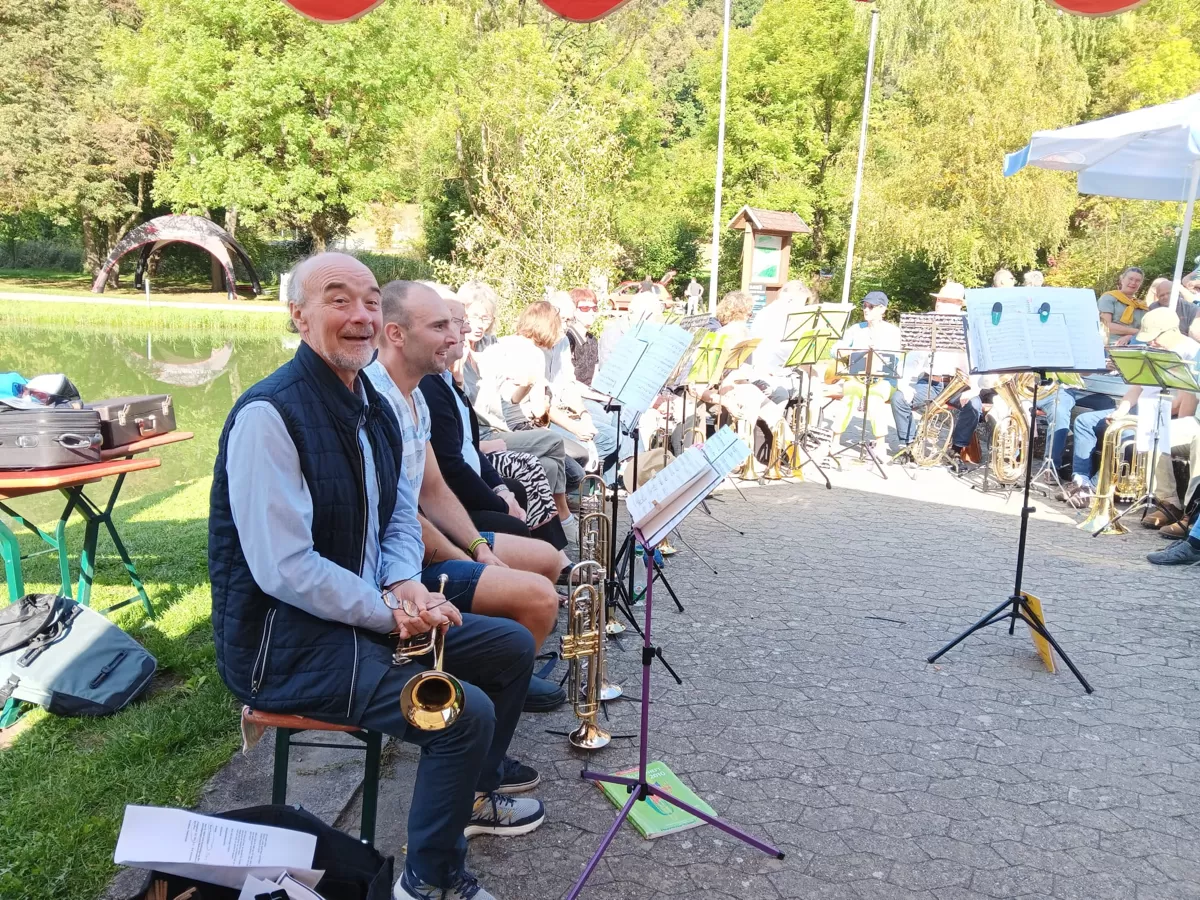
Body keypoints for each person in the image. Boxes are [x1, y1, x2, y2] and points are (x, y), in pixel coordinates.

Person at [209, 253, 543, 900]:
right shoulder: (267, 416)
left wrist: (404, 585)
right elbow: (285, 570)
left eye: (368, 300)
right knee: (462, 714)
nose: (360, 316)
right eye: (339, 300)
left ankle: (468, 802)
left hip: (362, 615)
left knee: (510, 648)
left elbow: (397, 519)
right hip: (285, 647)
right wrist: (388, 612)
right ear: (298, 316)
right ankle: (427, 881)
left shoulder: (375, 405)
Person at [363, 281, 563, 652]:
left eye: (452, 325)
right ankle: (503, 664)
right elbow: (401, 515)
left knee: (548, 560)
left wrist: (478, 548)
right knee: (540, 596)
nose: (455, 335)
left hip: (424, 543)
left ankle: (504, 661)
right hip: (399, 566)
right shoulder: (375, 402)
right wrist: (472, 561)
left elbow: (434, 488)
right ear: (396, 334)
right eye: (439, 326)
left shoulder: (414, 397)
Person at [891, 281, 972, 456]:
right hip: (931, 382)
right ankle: (909, 445)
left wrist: (973, 389)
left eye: (945, 301)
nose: (939, 303)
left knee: (974, 406)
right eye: (939, 300)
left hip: (958, 386)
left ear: (958, 304)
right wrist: (905, 386)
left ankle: (956, 450)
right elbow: (913, 358)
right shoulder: (928, 320)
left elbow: (976, 361)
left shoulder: (969, 323)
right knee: (899, 399)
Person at [829, 291, 903, 455]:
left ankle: (880, 444)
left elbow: (898, 360)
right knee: (849, 395)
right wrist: (850, 350)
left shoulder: (893, 332)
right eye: (864, 306)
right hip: (857, 378)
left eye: (871, 306)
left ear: (882, 309)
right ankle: (835, 439)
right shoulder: (856, 329)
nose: (866, 309)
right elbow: (833, 351)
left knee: (875, 397)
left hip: (883, 380)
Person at [1098, 266, 1147, 343]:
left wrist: (1130, 337)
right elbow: (1106, 326)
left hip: (1135, 344)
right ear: (1122, 279)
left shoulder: (1141, 306)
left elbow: (1147, 331)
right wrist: (1135, 332)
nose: (1133, 283)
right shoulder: (1108, 298)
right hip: (1111, 343)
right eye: (1130, 279)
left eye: (1138, 281)